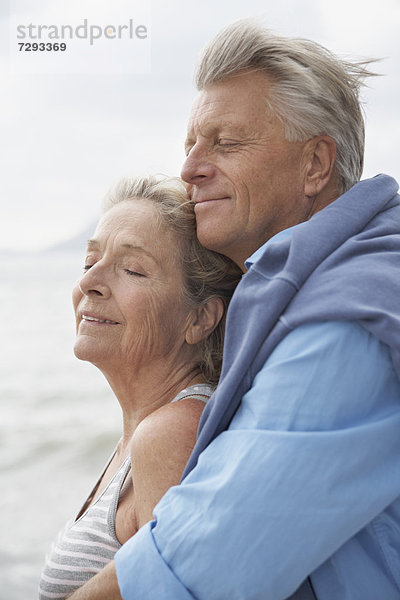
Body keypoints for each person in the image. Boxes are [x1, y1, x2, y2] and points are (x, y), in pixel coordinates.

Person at [67, 19, 400, 600]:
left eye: (226, 143)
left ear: (316, 165)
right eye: (190, 145)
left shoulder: (350, 311)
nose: (191, 168)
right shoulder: (310, 286)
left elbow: (214, 559)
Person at [38, 175, 241, 599]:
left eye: (132, 269)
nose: (90, 282)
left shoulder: (170, 433)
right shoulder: (145, 432)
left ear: (200, 318)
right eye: (90, 261)